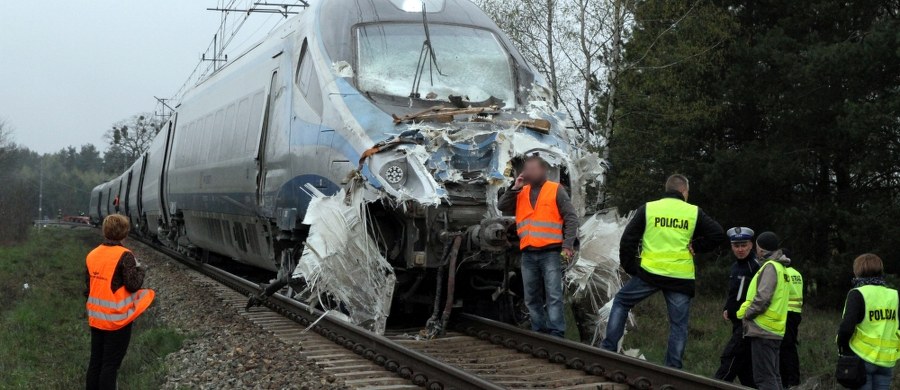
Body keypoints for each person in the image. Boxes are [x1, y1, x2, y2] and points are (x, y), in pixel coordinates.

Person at [601, 174, 726, 368]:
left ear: (667, 189)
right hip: (680, 277)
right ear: (684, 191)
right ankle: (672, 369)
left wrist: (631, 267)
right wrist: (698, 246)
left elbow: (628, 239)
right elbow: (718, 234)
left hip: (650, 273)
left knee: (621, 302)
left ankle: (608, 351)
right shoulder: (693, 212)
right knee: (678, 325)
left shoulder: (649, 209)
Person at [498, 152, 579, 337]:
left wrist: (568, 245)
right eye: (527, 169)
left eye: (532, 168)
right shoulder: (521, 192)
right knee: (531, 296)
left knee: (553, 295)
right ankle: (539, 331)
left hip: (550, 252)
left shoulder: (555, 189)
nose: (529, 172)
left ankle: (556, 333)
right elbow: (502, 206)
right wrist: (515, 187)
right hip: (528, 253)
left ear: (543, 170)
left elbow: (571, 218)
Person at [85, 214, 155, 389]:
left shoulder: (92, 254)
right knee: (110, 365)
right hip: (117, 320)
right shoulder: (125, 256)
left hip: (96, 318)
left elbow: (88, 286)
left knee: (95, 363)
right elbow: (133, 285)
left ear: (105, 231)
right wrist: (141, 270)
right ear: (124, 233)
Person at [837, 254, 899, 390]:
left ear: (858, 270)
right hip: (886, 360)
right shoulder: (894, 295)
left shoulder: (857, 293)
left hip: (862, 357)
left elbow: (846, 328)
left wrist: (841, 347)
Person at [737, 231, 791, 390]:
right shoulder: (782, 268)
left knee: (764, 379)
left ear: (760, 249)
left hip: (763, 330)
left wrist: (748, 313)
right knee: (774, 376)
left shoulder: (770, 267)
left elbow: (762, 298)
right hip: (775, 330)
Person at [715, 226, 761, 387]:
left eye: (744, 245)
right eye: (736, 246)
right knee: (744, 367)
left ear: (751, 245)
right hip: (736, 323)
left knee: (730, 358)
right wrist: (727, 308)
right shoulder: (735, 266)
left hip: (749, 322)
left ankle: (714, 386)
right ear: (731, 246)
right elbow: (734, 292)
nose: (740, 249)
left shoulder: (756, 266)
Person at [781, 263, 803, 388]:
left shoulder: (783, 273)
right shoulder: (797, 273)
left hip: (786, 312)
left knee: (786, 348)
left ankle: (790, 380)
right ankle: (792, 378)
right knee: (790, 346)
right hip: (796, 313)